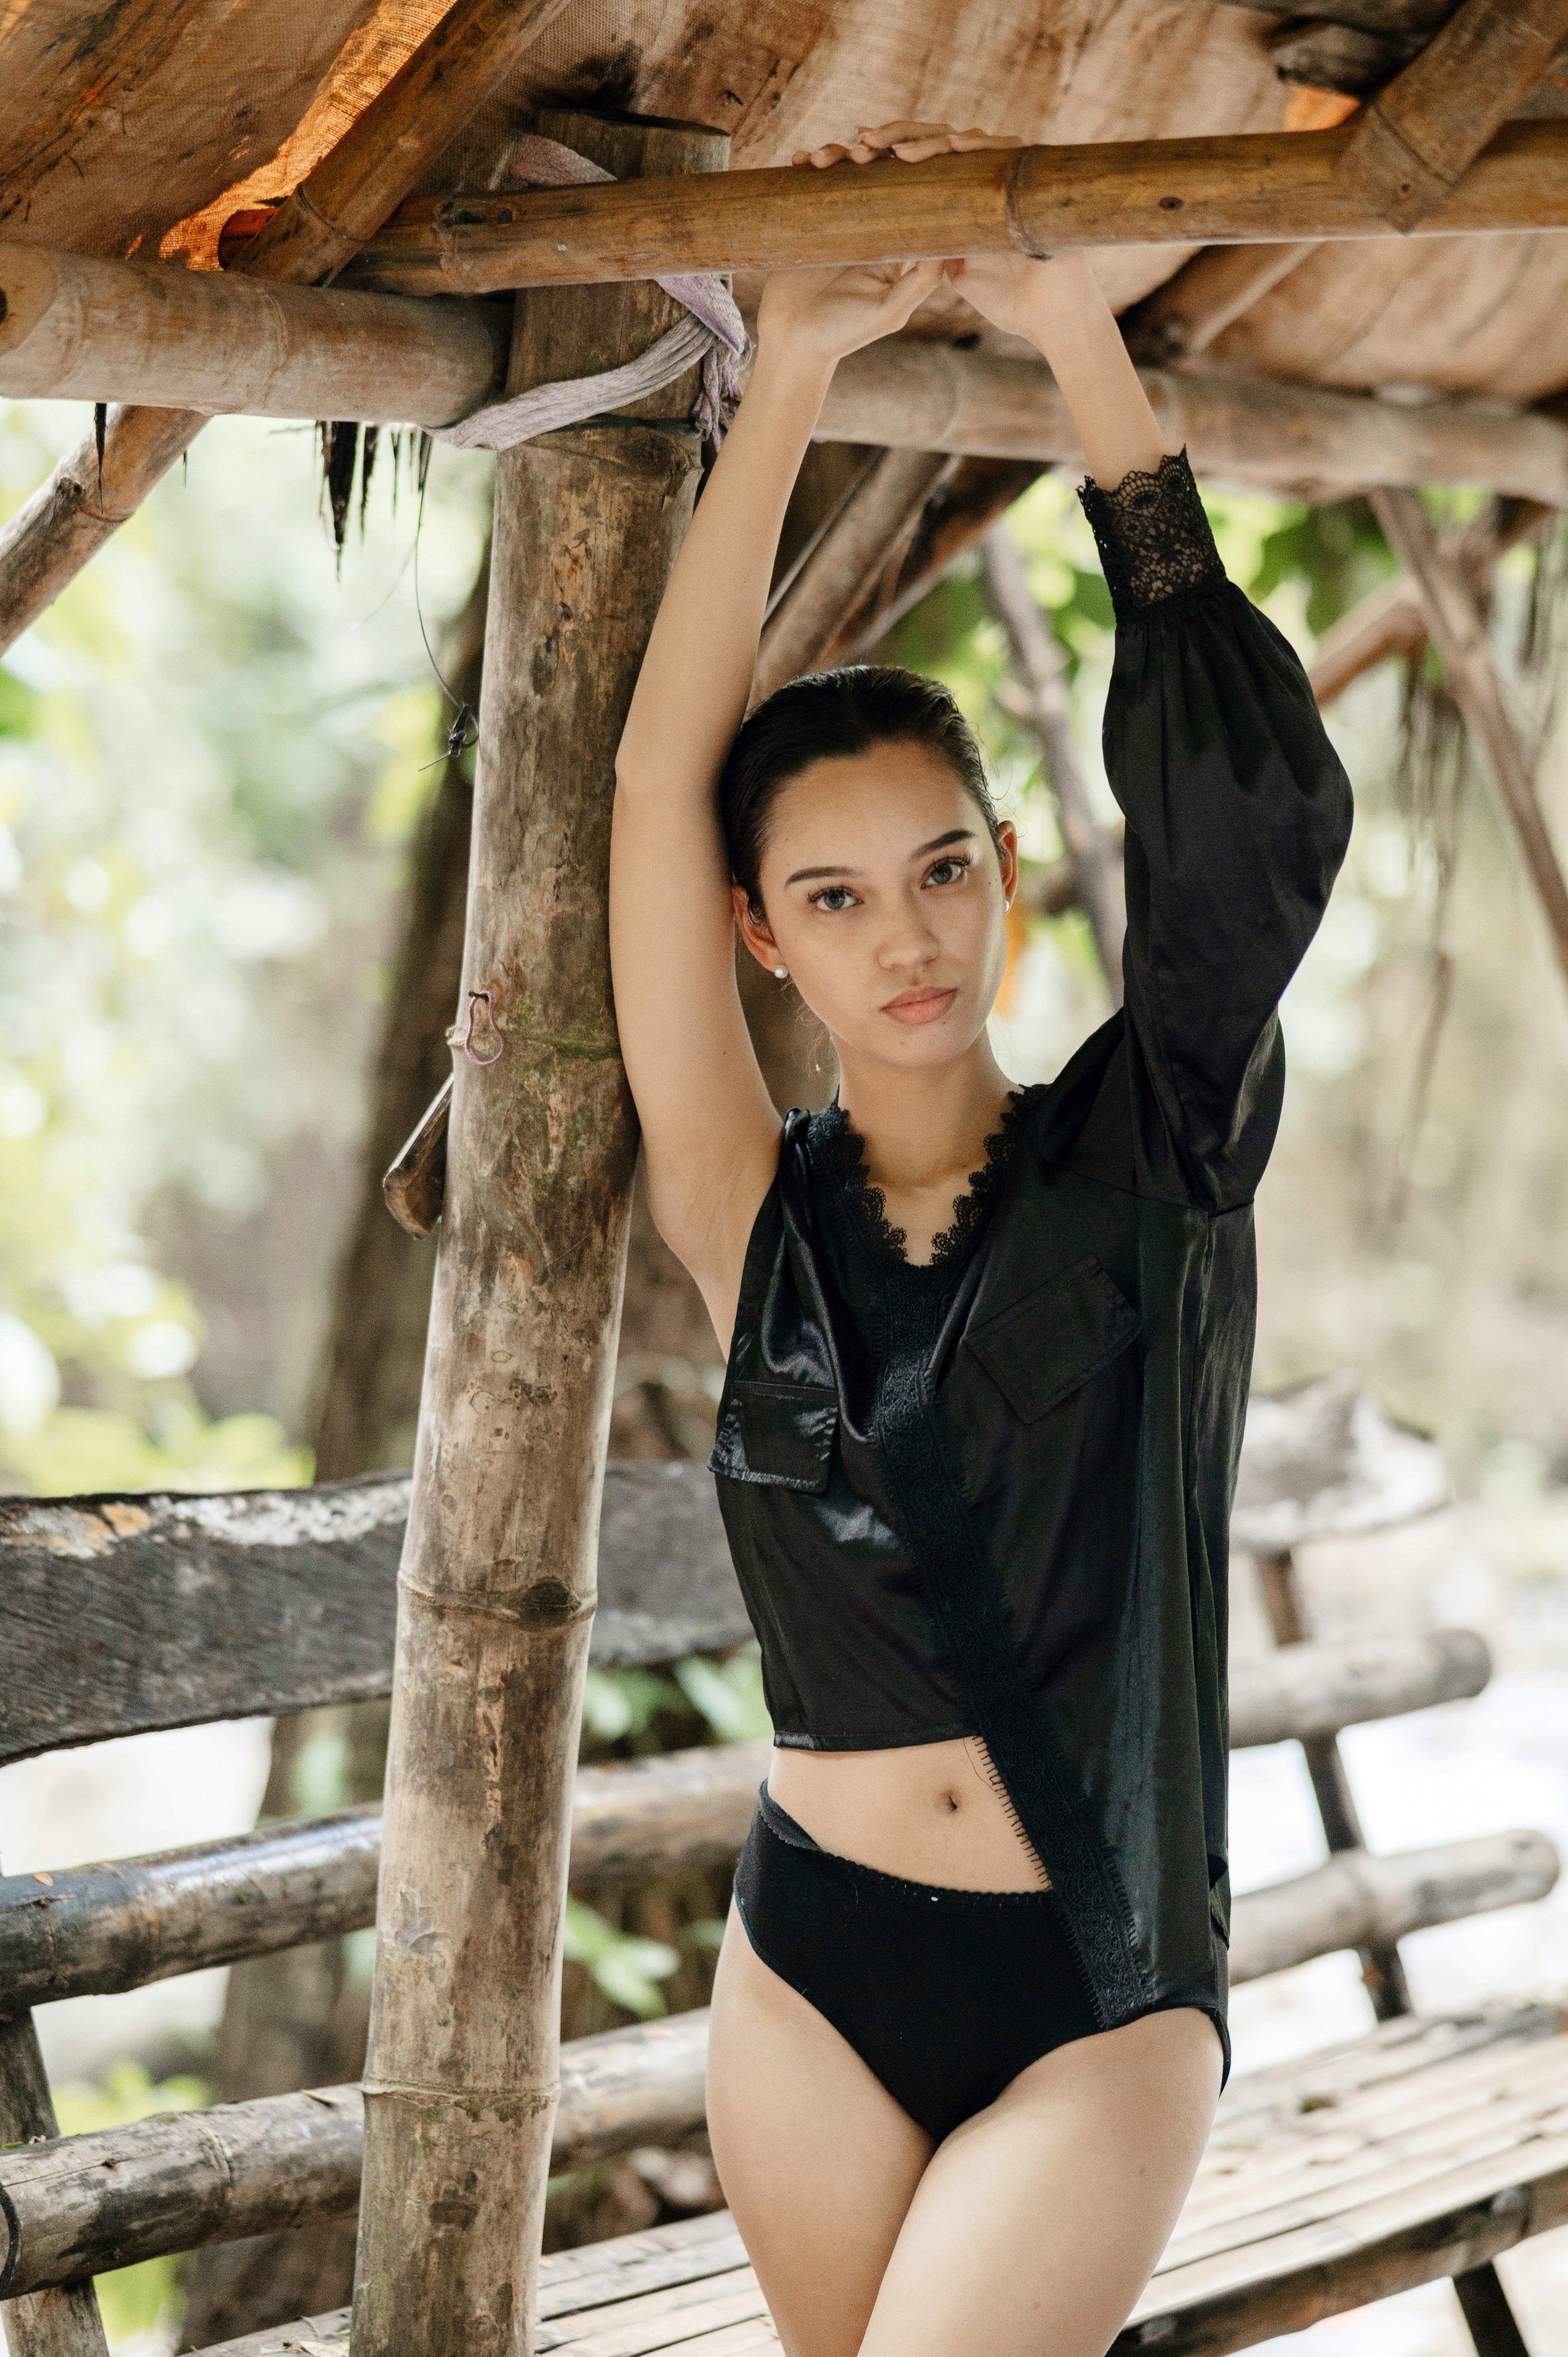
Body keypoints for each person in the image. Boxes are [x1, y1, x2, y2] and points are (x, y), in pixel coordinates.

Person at [611, 119, 1352, 2357]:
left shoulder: (1158, 1157)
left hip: (1098, 1980)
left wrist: (1070, 338)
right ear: (766, 939)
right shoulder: (745, 1209)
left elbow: (1246, 827)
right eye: (831, 898)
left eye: (942, 867)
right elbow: (658, 792)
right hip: (812, 1962)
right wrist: (797, 376)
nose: (905, 936)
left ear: (1007, 870)